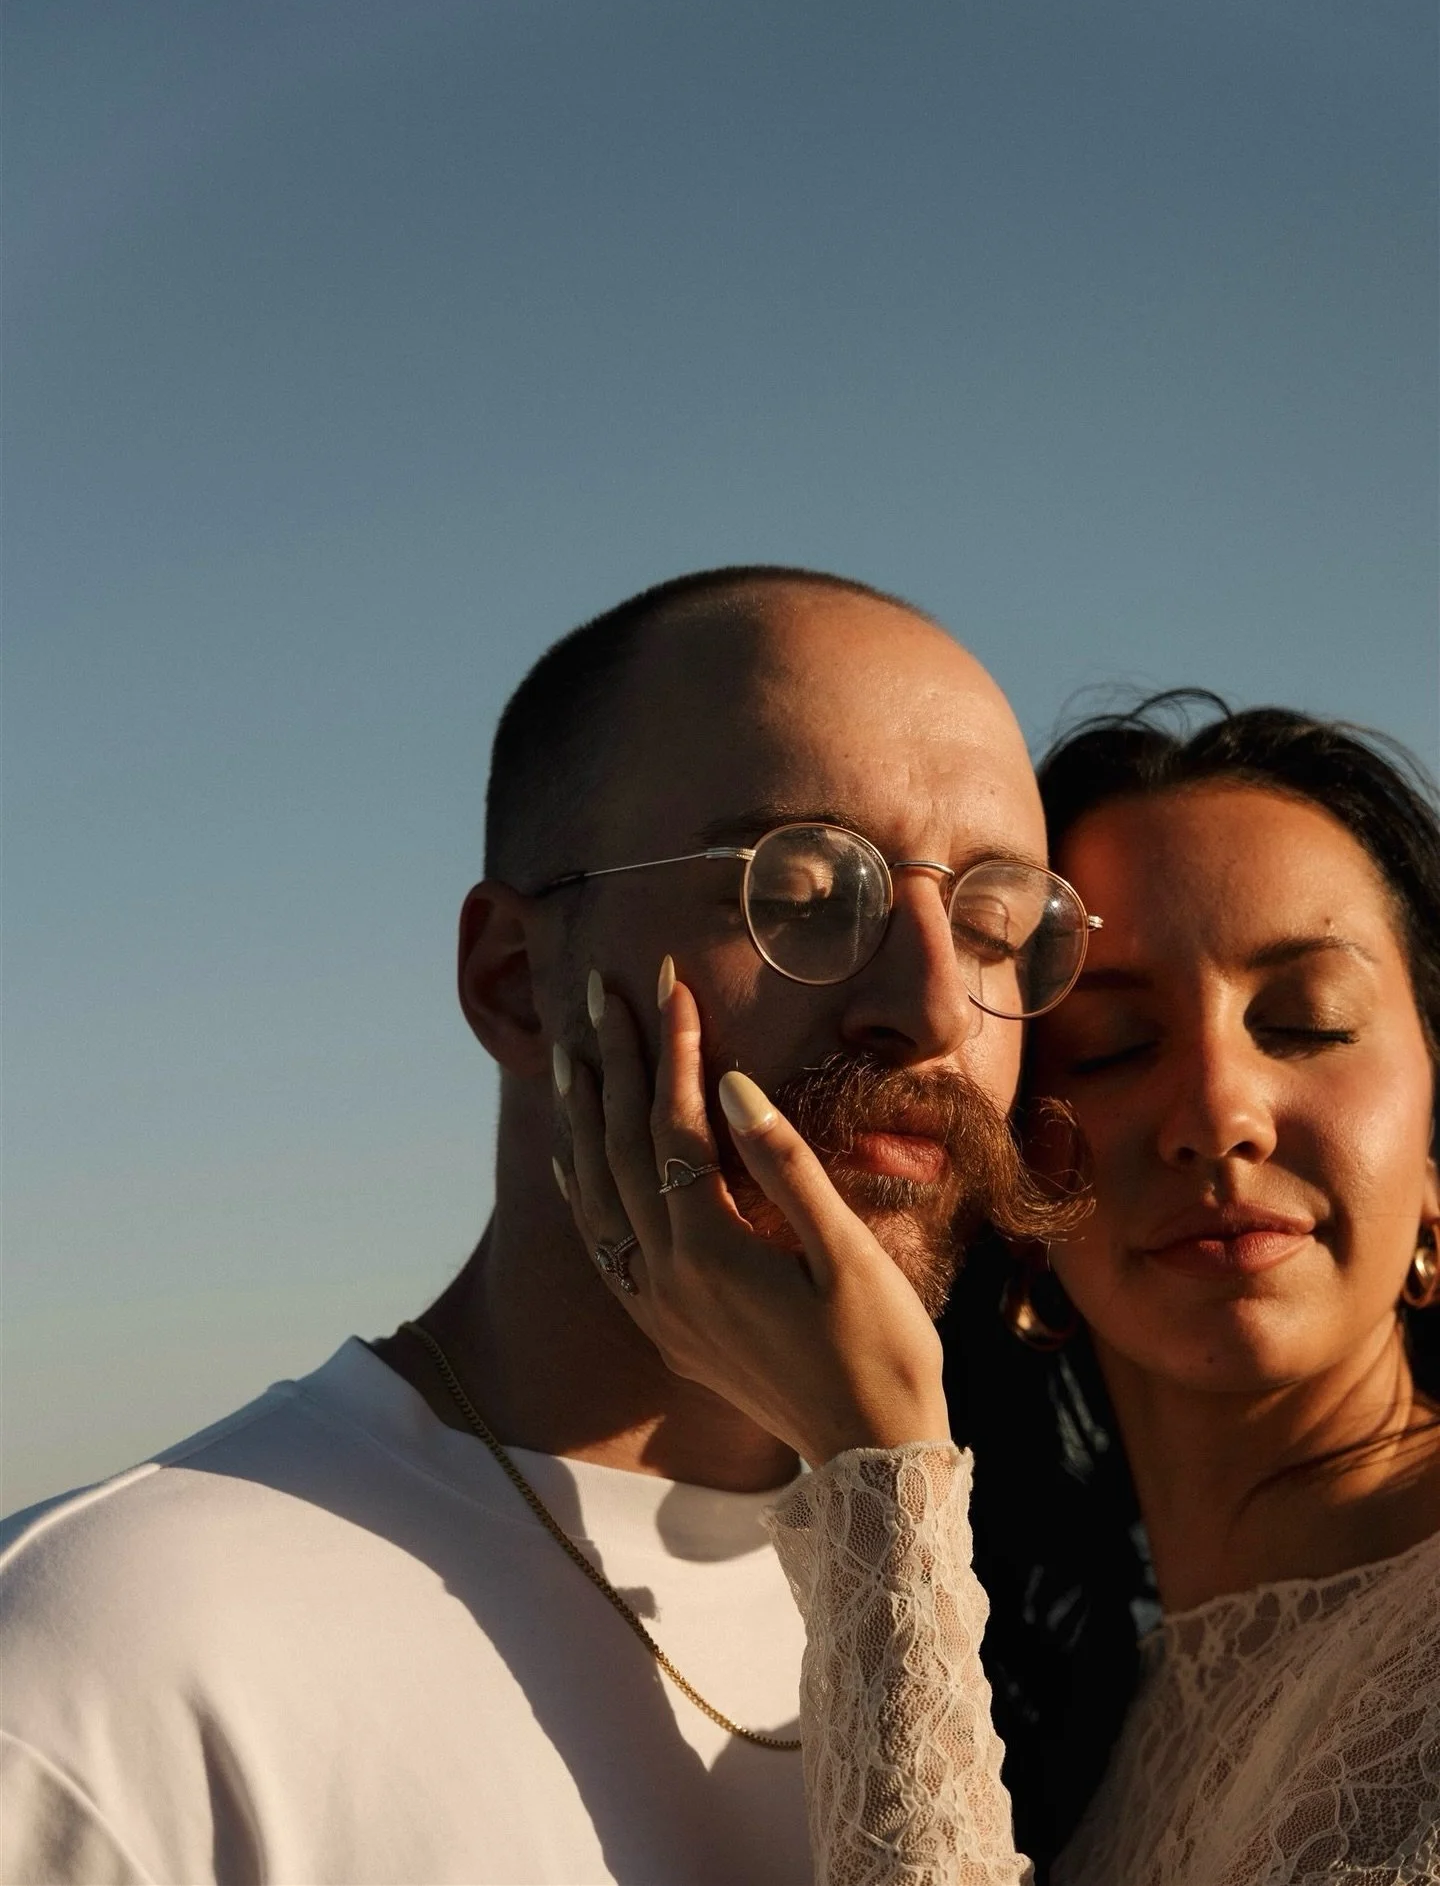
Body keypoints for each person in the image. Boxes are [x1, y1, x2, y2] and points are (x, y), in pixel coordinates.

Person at [0, 566, 1093, 1885]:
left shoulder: (1032, 1640)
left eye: (993, 923)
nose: (932, 1006)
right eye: (803, 892)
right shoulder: (109, 1656)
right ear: (516, 982)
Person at [558, 696, 1440, 1885]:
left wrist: (876, 1463)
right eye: (1120, 1042)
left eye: (1306, 1023)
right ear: (1015, 1177)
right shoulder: (1088, 1723)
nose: (1221, 1115)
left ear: (1433, 1151)